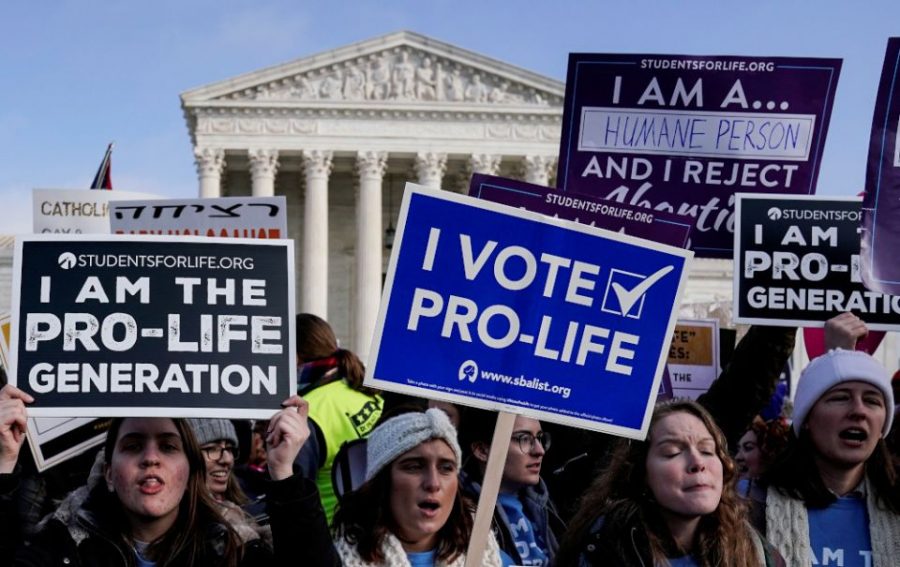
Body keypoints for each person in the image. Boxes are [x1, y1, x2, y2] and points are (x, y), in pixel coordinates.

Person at [0, 384, 339, 566]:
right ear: (108, 474)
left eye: (168, 446)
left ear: (190, 471)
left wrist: (283, 473)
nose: (150, 458)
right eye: (133, 446)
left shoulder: (233, 551)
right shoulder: (60, 549)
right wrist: (3, 464)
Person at [556, 399, 783, 567]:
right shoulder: (598, 550)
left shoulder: (755, 552)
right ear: (639, 472)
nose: (697, 462)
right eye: (673, 452)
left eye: (707, 450)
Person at [758, 349, 900, 565]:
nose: (859, 411)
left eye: (872, 401)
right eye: (841, 398)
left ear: (883, 426)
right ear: (806, 418)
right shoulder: (750, 507)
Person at [332, 407, 503, 567]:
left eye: (446, 468)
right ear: (382, 480)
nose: (433, 484)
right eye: (414, 467)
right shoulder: (331, 558)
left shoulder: (486, 550)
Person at [294, 312, 383, 523]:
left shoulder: (307, 412)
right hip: (377, 528)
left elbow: (295, 497)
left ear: (295, 357)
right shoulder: (361, 386)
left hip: (333, 536)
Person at [459, 409, 564, 566]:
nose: (539, 450)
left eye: (540, 438)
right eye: (523, 439)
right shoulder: (459, 513)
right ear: (482, 451)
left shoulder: (544, 501)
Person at [188, 418, 270, 544]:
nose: (227, 459)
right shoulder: (180, 527)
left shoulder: (243, 508)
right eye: (211, 449)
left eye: (230, 448)